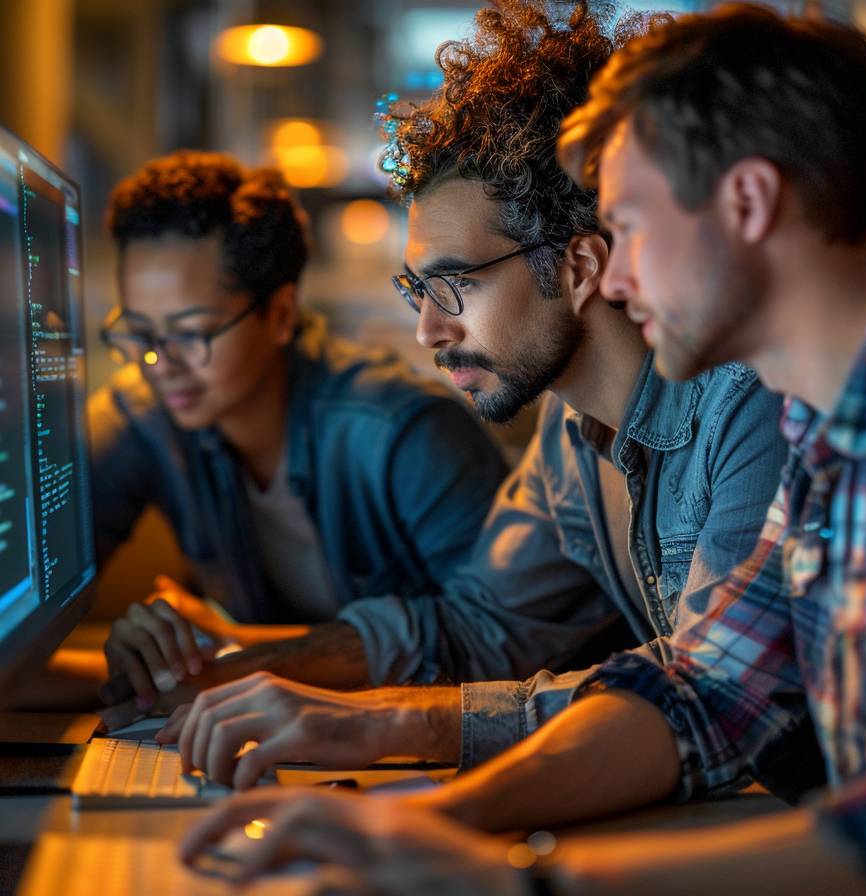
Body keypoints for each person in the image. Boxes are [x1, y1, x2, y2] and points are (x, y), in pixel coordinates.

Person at [179, 5, 866, 894]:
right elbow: (708, 690)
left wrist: (525, 880)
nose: (613, 275)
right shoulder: (825, 419)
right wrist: (424, 827)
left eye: (627, 227)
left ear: (748, 201)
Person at [146, 0, 798, 786]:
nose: (427, 329)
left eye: (454, 284)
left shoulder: (750, 401)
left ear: (580, 268)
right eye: (417, 289)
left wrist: (385, 730)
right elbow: (477, 628)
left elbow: (708, 700)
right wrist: (235, 670)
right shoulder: (569, 427)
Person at [40, 150, 510, 712]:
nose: (158, 364)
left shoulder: (399, 432)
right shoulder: (147, 415)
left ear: (281, 314)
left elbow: (505, 637)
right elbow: (24, 593)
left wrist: (232, 664)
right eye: (138, 333)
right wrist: (154, 671)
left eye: (191, 334)